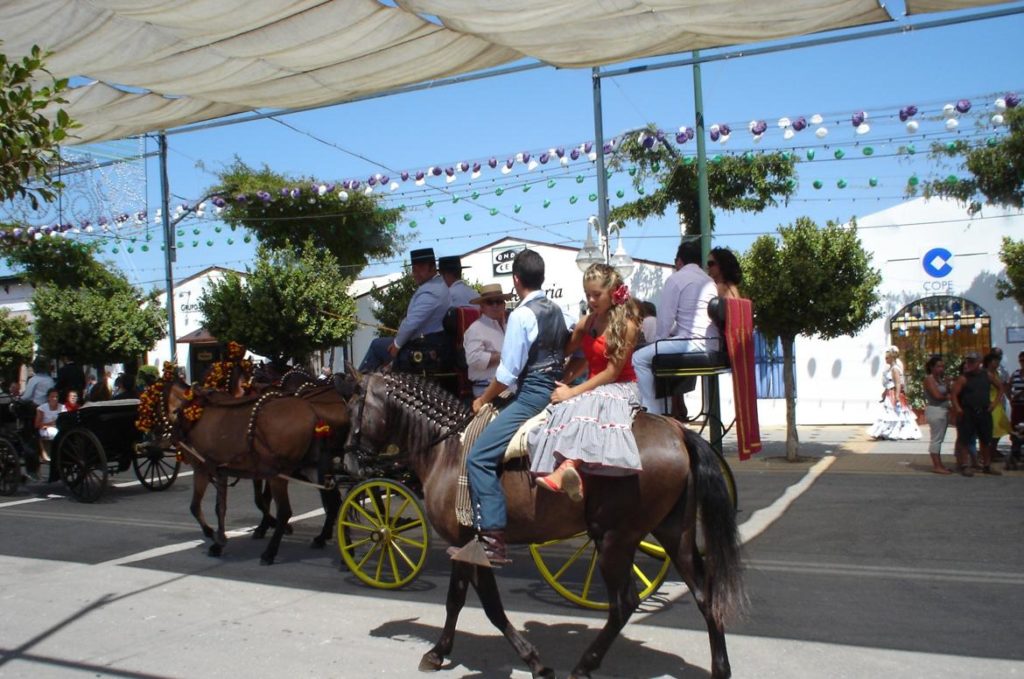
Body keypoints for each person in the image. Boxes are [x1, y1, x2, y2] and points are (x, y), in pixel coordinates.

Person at [462, 249, 568, 566]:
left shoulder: (522, 315)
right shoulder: (556, 309)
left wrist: (482, 399)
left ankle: (493, 541)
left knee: (478, 457)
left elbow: (507, 375)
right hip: (554, 386)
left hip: (531, 393)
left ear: (516, 280)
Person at [530, 263, 643, 501]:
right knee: (555, 412)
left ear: (613, 292)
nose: (591, 300)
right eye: (587, 295)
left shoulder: (628, 326)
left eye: (596, 294)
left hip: (620, 388)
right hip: (594, 387)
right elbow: (571, 353)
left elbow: (611, 373)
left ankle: (566, 468)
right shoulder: (588, 322)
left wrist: (572, 392)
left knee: (582, 404)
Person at [631, 239, 720, 414]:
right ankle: (669, 409)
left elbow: (664, 323)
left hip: (691, 343)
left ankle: (651, 413)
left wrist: (657, 343)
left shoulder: (676, 279)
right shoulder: (709, 281)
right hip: (712, 343)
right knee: (658, 353)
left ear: (679, 261)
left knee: (639, 358)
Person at [359, 248, 451, 372]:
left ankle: (357, 383)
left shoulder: (431, 291)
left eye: (421, 268)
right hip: (429, 343)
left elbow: (412, 323)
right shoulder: (438, 285)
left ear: (433, 267)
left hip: (425, 346)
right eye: (414, 269)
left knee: (377, 345)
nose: (416, 273)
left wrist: (397, 344)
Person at [951, 351, 1000, 476]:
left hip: (983, 411)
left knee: (986, 440)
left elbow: (1001, 388)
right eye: (968, 361)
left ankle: (987, 465)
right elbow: (954, 394)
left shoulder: (987, 375)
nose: (970, 364)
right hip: (968, 411)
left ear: (979, 363)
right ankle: (965, 465)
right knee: (965, 439)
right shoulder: (964, 378)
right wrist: (957, 408)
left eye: (973, 361)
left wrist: (994, 404)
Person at [462, 283, 510, 397]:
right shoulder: (475, 329)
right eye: (490, 302)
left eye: (498, 301)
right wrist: (504, 355)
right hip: (486, 389)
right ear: (482, 307)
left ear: (504, 304)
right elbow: (473, 359)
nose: (495, 306)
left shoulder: (509, 327)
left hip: (509, 387)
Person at [868, 349, 921, 440]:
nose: (885, 359)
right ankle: (887, 431)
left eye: (887, 358)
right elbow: (890, 383)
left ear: (892, 358)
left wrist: (896, 396)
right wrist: (885, 392)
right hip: (890, 392)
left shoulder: (895, 369)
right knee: (889, 413)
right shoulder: (891, 368)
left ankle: (896, 432)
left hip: (893, 393)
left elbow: (897, 383)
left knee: (895, 413)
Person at [922, 355, 952, 474]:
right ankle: (936, 465)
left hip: (943, 410)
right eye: (938, 366)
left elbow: (947, 392)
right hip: (935, 410)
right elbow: (937, 395)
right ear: (931, 367)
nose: (941, 369)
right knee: (936, 439)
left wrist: (948, 385)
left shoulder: (940, 379)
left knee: (940, 439)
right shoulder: (929, 379)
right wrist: (948, 397)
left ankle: (939, 464)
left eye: (942, 366)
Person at [984, 351, 1010, 463]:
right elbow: (1001, 388)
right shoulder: (987, 374)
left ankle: (992, 451)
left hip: (997, 403)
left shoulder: (997, 373)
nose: (998, 363)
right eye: (995, 361)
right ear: (989, 362)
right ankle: (989, 452)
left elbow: (1003, 387)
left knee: (1000, 429)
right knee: (993, 430)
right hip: (991, 403)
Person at [34, 387, 66, 463]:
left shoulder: (62, 407)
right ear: (48, 398)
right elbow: (37, 424)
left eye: (56, 397)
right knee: (55, 432)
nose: (55, 399)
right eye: (52, 397)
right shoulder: (42, 408)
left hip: (59, 427)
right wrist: (50, 424)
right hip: (45, 429)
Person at [1007, 350, 1024, 470]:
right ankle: (1015, 454)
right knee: (1016, 431)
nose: (1022, 362)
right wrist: (1011, 398)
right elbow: (1007, 386)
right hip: (1017, 406)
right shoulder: (1016, 373)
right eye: (1021, 360)